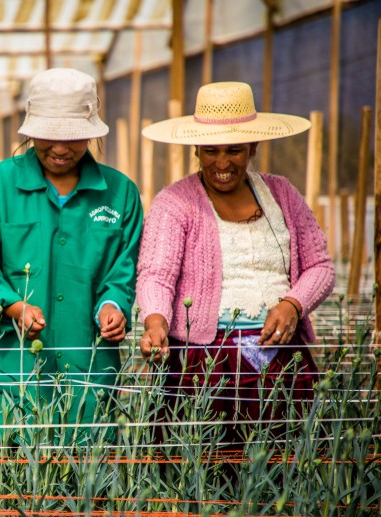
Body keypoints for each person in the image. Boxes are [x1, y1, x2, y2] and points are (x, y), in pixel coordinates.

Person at [137, 81, 335, 445]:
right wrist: (155, 320)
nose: (222, 162)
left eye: (235, 150)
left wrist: (293, 304)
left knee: (285, 461)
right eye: (211, 150)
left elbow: (320, 266)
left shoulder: (282, 194)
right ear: (196, 149)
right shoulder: (175, 203)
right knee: (206, 466)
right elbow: (156, 275)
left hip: (278, 355)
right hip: (203, 361)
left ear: (253, 148)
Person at [0, 68, 143, 446]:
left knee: (83, 495)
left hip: (87, 373)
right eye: (49, 136)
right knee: (3, 492)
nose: (61, 149)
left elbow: (123, 269)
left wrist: (113, 304)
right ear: (29, 129)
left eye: (74, 137)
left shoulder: (119, 193)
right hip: (11, 374)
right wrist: (13, 307)